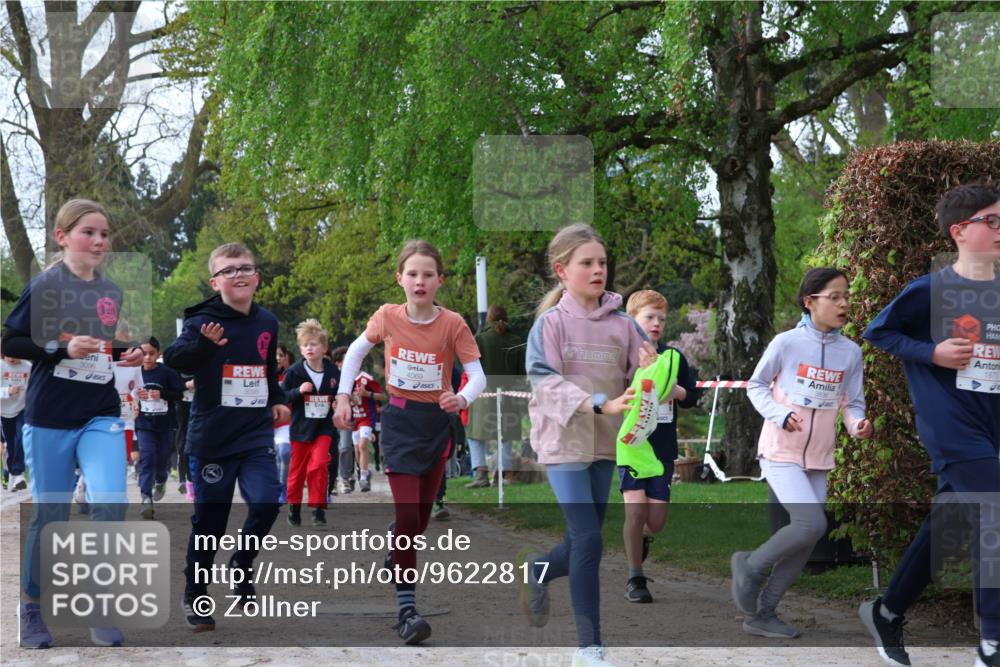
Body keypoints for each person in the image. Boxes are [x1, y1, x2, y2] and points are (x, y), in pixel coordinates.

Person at [860, 184, 1000, 667]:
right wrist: (932, 352)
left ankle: (888, 608)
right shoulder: (933, 289)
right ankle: (994, 642)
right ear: (960, 232)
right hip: (950, 423)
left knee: (950, 521)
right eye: (993, 221)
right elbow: (879, 331)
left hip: (990, 423)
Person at [3, 198, 143, 648]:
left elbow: (102, 345)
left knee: (111, 502)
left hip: (100, 412)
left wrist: (129, 352)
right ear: (62, 237)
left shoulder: (112, 292)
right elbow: (11, 340)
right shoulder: (46, 286)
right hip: (49, 417)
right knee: (52, 515)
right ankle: (31, 607)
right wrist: (61, 349)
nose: (100, 241)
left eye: (105, 234)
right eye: (90, 233)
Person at [334, 239, 486, 645]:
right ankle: (407, 611)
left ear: (440, 280)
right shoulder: (386, 316)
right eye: (413, 274)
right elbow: (354, 353)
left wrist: (463, 397)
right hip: (399, 421)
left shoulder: (453, 323)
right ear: (400, 278)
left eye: (428, 274)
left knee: (418, 522)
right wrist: (344, 396)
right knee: (406, 519)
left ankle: (396, 546)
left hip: (436, 424)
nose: (420, 281)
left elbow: (478, 374)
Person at [519, 223, 654, 667]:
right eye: (587, 263)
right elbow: (544, 382)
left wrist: (651, 376)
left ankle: (538, 570)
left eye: (602, 263)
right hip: (563, 444)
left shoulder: (625, 325)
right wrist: (601, 403)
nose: (599, 270)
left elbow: (644, 377)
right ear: (562, 270)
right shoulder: (550, 325)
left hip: (606, 446)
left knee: (583, 542)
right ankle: (589, 647)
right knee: (588, 538)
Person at [730, 268, 872, 638]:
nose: (844, 304)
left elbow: (852, 403)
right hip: (780, 450)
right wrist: (780, 414)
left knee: (806, 537)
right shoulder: (785, 343)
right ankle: (751, 565)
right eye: (835, 297)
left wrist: (857, 424)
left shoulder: (850, 352)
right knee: (812, 525)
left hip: (819, 457)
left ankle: (763, 613)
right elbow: (756, 386)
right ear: (810, 302)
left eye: (846, 296)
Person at [163, 242, 289, 633]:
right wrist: (203, 345)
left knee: (268, 503)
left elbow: (267, 370)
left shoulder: (267, 321)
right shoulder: (202, 320)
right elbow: (174, 358)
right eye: (229, 270)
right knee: (210, 525)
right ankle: (195, 595)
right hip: (213, 439)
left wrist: (279, 399)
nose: (238, 275)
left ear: (257, 278)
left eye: (245, 268)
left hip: (254, 435)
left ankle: (241, 563)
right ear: (215, 282)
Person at [619, 290, 700, 604]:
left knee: (655, 522)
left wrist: (674, 389)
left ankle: (641, 540)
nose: (656, 324)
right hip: (632, 446)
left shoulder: (674, 358)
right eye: (648, 317)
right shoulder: (623, 357)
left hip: (662, 447)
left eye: (661, 319)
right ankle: (634, 576)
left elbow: (692, 397)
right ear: (632, 321)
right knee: (634, 510)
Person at [281, 319, 339, 527]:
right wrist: (299, 391)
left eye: (313, 344)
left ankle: (317, 509)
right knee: (297, 473)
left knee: (320, 464)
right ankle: (294, 508)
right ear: (300, 349)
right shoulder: (294, 372)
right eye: (305, 345)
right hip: (300, 429)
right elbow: (283, 396)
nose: (309, 348)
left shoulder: (332, 372)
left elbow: (340, 393)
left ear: (324, 348)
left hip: (323, 427)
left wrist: (340, 403)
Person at [465, 304, 527, 489]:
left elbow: (472, 369)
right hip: (510, 395)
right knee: (505, 436)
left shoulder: (481, 339)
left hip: (484, 394)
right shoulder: (517, 340)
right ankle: (500, 475)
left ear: (489, 318)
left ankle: (481, 474)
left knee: (475, 436)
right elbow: (521, 374)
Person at [135, 336, 184, 518]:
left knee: (161, 460)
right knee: (147, 458)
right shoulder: (134, 372)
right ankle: (145, 497)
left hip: (165, 424)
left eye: (151, 354)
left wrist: (162, 394)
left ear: (158, 354)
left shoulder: (167, 373)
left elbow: (179, 394)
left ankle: (161, 480)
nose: (147, 358)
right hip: (143, 424)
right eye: (143, 354)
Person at [350, 362, 385, 492]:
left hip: (367, 418)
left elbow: (383, 396)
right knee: (357, 450)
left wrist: (367, 394)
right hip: (353, 420)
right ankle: (363, 471)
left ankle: (363, 478)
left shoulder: (366, 378)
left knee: (362, 445)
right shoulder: (343, 379)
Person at [1, 349, 31, 492]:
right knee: (11, 445)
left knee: (22, 437)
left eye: (15, 353)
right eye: (8, 354)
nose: (11, 358)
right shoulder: (1, 366)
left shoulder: (28, 367)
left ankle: (19, 474)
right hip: (4, 412)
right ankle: (14, 474)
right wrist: (8, 391)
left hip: (22, 409)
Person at [274, 343, 294, 503]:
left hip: (284, 422)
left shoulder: (290, 375)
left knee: (285, 453)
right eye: (275, 355)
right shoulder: (260, 374)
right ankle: (271, 488)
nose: (277, 358)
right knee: (270, 457)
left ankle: (283, 488)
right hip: (262, 423)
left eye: (281, 355)